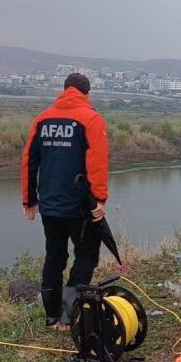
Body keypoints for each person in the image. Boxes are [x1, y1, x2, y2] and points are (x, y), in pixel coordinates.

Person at [21, 73, 109, 329]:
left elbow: (29, 159)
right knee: (86, 255)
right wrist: (100, 200)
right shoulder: (91, 119)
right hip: (80, 205)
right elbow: (98, 164)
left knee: (54, 256)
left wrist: (29, 199)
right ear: (87, 93)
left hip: (49, 204)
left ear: (64, 90)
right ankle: (68, 316)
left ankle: (51, 317)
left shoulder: (43, 119)